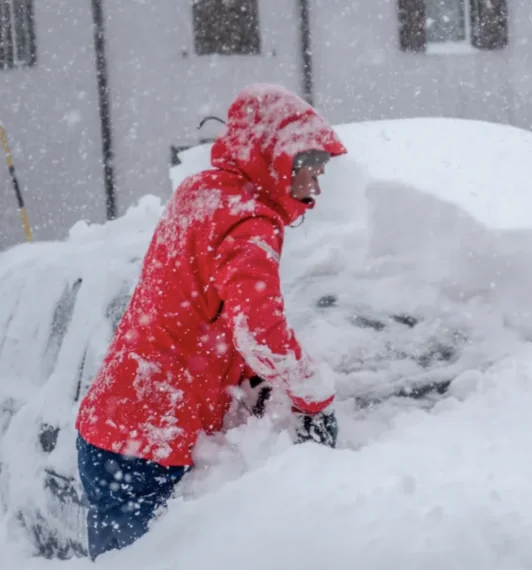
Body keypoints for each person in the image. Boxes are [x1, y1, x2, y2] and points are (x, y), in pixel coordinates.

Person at [74, 83, 347, 560]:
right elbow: (260, 332)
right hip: (151, 445)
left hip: (113, 430)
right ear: (281, 162)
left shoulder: (202, 192)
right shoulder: (248, 221)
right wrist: (314, 398)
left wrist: (246, 376)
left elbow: (200, 305)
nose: (317, 187)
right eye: (313, 171)